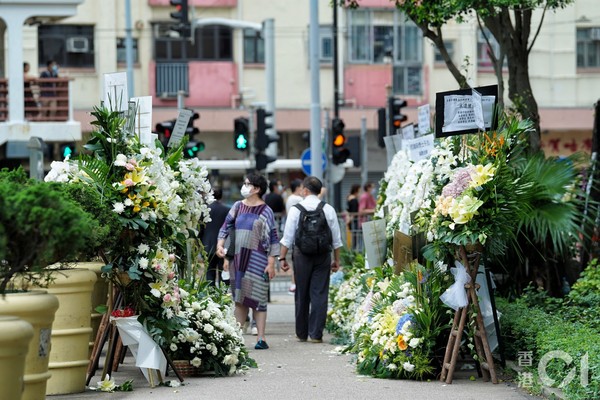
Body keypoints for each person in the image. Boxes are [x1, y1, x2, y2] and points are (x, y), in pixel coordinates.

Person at [216, 173, 279, 350]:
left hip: (257, 260)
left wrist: (271, 262)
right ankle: (236, 338)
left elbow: (273, 238)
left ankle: (261, 337)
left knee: (258, 298)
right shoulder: (237, 206)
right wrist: (220, 245)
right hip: (238, 258)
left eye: (247, 184)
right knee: (239, 299)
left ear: (257, 189)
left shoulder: (266, 211)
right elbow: (225, 227)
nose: (244, 187)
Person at [279, 176, 343, 343]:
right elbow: (336, 238)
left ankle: (302, 333)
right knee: (320, 293)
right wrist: (337, 260)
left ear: (305, 190)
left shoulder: (296, 209)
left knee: (301, 293)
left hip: (301, 255)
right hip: (323, 255)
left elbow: (287, 237)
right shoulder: (328, 209)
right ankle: (316, 334)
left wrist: (282, 258)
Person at [200, 187, 230, 285]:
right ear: (221, 195)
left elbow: (201, 228)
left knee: (209, 271)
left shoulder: (205, 210)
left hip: (207, 244)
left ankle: (211, 295)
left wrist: (200, 242)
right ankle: (222, 294)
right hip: (223, 245)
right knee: (223, 270)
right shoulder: (226, 210)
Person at [283, 179, 304, 294]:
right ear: (297, 188)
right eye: (301, 187)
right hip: (299, 232)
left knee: (294, 259)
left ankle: (293, 284)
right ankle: (295, 284)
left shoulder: (289, 199)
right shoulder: (297, 199)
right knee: (298, 261)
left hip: (292, 232)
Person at [346, 184, 361, 249]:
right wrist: (350, 219)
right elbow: (354, 212)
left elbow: (348, 210)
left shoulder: (349, 198)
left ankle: (353, 250)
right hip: (353, 220)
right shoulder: (354, 200)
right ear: (356, 191)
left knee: (353, 237)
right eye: (359, 190)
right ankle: (354, 251)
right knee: (355, 237)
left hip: (350, 220)